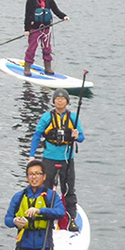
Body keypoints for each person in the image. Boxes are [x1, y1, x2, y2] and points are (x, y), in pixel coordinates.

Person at [29, 88, 84, 231]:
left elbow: (82, 138)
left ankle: (71, 219)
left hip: (67, 159)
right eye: (57, 99)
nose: (60, 101)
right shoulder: (47, 117)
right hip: (49, 159)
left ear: (67, 101)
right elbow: (37, 136)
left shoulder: (73, 118)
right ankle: (46, 218)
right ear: (53, 101)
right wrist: (31, 156)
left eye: (63, 99)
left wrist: (77, 135)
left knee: (68, 190)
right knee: (46, 189)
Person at [23, 0, 69, 76]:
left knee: (47, 48)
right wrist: (26, 29)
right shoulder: (30, 0)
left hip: (46, 29)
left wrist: (63, 16)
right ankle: (27, 68)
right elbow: (27, 15)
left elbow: (56, 10)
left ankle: (48, 67)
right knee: (32, 48)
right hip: (35, 29)